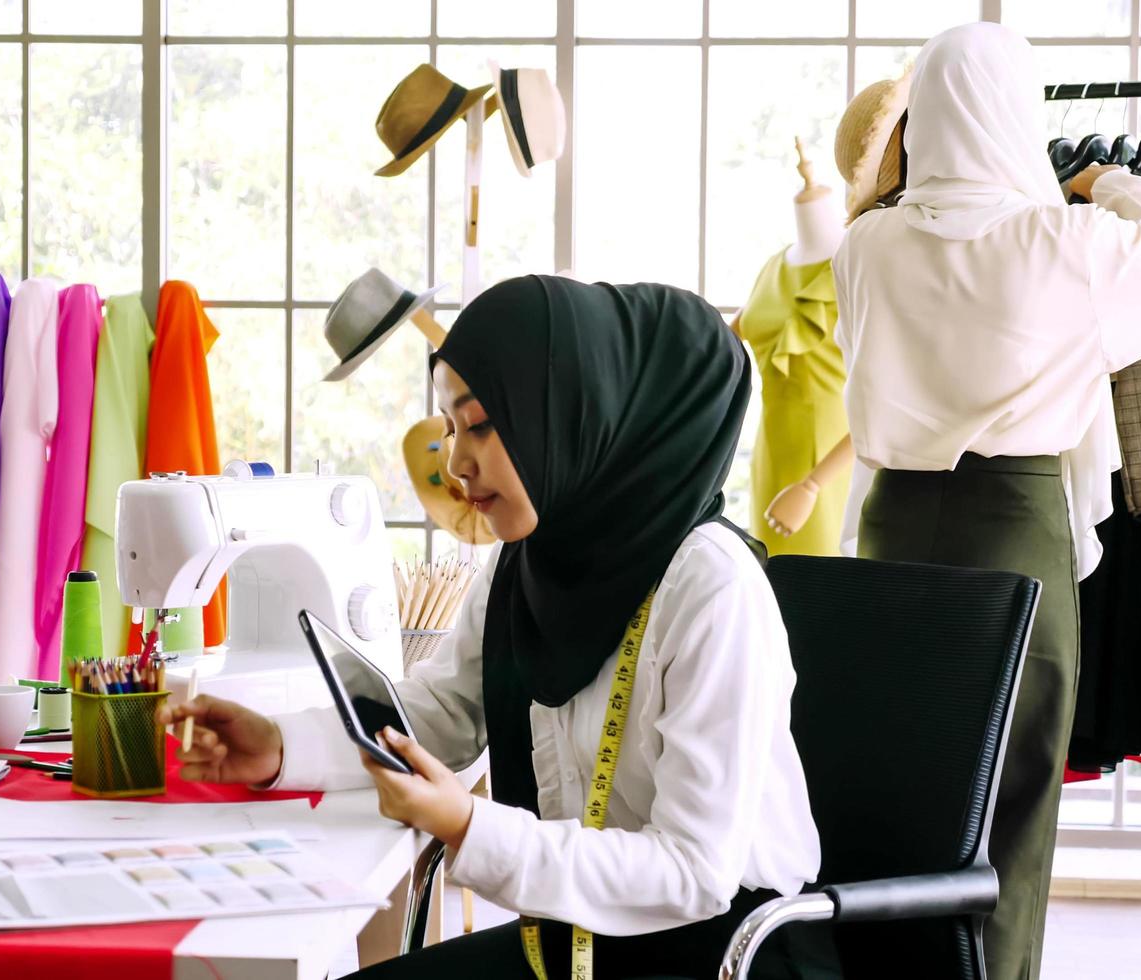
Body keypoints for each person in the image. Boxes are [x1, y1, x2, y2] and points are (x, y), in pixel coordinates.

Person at [163, 276, 834, 978]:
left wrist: (469, 826)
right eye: (451, 427)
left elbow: (693, 873)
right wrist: (279, 745)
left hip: (728, 952)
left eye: (481, 424)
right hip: (583, 943)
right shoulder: (529, 563)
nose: (455, 462)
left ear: (578, 415)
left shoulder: (711, 587)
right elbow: (444, 711)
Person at [832, 23, 1141, 980]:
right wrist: (1108, 182)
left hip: (890, 533)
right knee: (1010, 803)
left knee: (899, 791)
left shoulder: (866, 244)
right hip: (1011, 528)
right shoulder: (1063, 240)